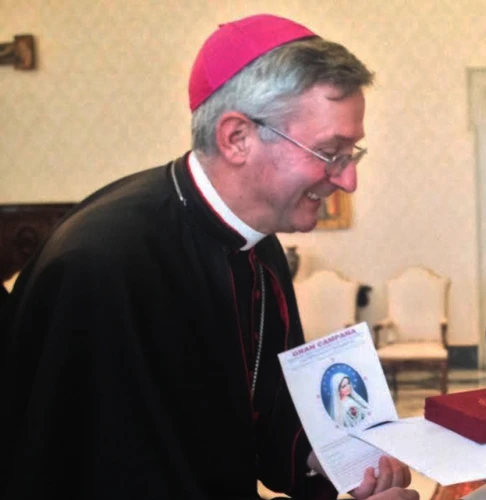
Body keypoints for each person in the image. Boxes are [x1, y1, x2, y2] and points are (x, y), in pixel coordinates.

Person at [0, 14, 416, 500]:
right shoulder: (105, 265)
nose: (348, 180)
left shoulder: (257, 242)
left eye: (352, 153)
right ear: (236, 137)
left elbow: (261, 407)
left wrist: (321, 458)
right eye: (330, 152)